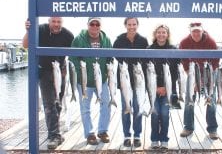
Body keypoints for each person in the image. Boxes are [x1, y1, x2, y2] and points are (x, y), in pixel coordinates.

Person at [22, 17, 74, 149]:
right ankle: (53, 136)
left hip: (60, 72)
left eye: (59, 22)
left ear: (62, 22)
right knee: (49, 105)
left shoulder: (68, 35)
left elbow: (73, 55)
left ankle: (55, 134)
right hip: (44, 72)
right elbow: (26, 45)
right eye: (54, 22)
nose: (56, 24)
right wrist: (28, 30)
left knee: (58, 104)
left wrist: (67, 69)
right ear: (49, 21)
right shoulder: (39, 29)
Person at [69, 17, 112, 145]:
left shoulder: (106, 39)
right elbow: (72, 58)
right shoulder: (78, 39)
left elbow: (110, 57)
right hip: (84, 82)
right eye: (92, 24)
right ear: (87, 25)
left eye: (97, 24)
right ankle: (90, 134)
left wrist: (106, 71)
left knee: (106, 105)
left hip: (102, 80)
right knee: (85, 108)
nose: (94, 26)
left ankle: (102, 131)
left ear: (100, 26)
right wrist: (83, 71)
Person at [179, 21, 220, 140]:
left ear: (202, 30)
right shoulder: (184, 42)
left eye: (198, 31)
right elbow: (185, 62)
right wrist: (194, 81)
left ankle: (212, 129)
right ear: (190, 31)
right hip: (192, 74)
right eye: (194, 31)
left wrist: (205, 81)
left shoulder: (210, 42)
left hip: (209, 74)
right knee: (189, 102)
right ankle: (188, 127)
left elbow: (216, 62)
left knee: (211, 102)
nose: (196, 33)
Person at [113, 17, 148, 147]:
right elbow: (116, 56)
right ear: (125, 25)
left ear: (137, 25)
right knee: (126, 107)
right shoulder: (118, 40)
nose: (131, 27)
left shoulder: (143, 40)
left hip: (139, 80)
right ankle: (127, 135)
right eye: (129, 24)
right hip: (124, 79)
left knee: (138, 107)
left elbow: (146, 58)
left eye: (134, 24)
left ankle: (137, 135)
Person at [147, 24, 180, 150]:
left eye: (164, 32)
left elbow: (177, 73)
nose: (161, 34)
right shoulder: (149, 49)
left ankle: (164, 140)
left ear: (168, 35)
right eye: (159, 32)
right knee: (155, 114)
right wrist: (156, 87)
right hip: (153, 89)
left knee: (165, 114)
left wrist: (167, 87)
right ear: (155, 34)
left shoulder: (174, 49)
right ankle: (154, 140)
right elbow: (146, 72)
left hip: (169, 89)